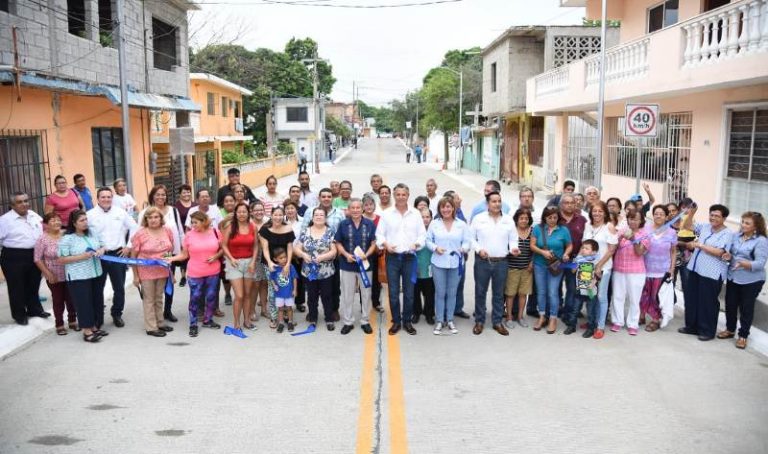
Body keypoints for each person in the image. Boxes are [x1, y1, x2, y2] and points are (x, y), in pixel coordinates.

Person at [376, 183, 426, 335]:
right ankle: (396, 321)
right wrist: (385, 245)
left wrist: (416, 244)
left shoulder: (416, 214)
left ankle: (407, 322)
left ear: (408, 196)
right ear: (394, 195)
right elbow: (379, 234)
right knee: (393, 292)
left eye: (404, 194)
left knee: (410, 293)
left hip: (410, 258)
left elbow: (422, 235)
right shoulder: (387, 214)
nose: (401, 197)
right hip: (392, 258)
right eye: (398, 194)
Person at [679, 204, 733, 341]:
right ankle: (691, 326)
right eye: (711, 215)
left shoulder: (728, 234)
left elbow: (720, 252)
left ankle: (707, 331)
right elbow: (686, 226)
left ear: (724, 218)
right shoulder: (705, 227)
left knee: (707, 302)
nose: (713, 218)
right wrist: (691, 213)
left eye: (717, 216)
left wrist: (699, 245)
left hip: (712, 273)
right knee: (692, 299)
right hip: (696, 269)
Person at [87, 186, 138, 328]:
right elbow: (85, 234)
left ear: (112, 198)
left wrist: (128, 246)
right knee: (97, 288)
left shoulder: (120, 212)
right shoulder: (90, 215)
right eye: (103, 197)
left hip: (118, 255)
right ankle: (98, 317)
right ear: (98, 199)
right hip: (99, 257)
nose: (106, 199)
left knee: (119, 288)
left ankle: (117, 313)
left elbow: (135, 227)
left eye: (109, 197)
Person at [470, 191, 519, 336]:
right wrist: (479, 250)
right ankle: (479, 321)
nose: (497, 204)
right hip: (483, 261)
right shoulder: (478, 219)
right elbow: (471, 238)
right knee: (480, 292)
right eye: (494, 201)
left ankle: (497, 322)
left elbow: (513, 239)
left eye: (499, 201)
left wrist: (514, 248)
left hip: (502, 262)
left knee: (498, 294)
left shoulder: (508, 220)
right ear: (487, 204)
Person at [167, 211, 223, 337]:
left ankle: (208, 320)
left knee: (211, 297)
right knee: (195, 298)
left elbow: (222, 248)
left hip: (213, 271)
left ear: (204, 221)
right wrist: (170, 258)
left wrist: (216, 256)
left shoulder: (215, 232)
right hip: (195, 273)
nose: (193, 225)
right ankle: (193, 324)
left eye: (195, 222)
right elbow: (184, 255)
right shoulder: (189, 236)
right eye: (191, 222)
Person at [136, 185, 185, 322]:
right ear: (152, 196)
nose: (160, 197)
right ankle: (153, 322)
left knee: (168, 285)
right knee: (152, 294)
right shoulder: (145, 212)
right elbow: (138, 234)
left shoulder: (173, 211)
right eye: (157, 194)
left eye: (163, 194)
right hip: (149, 260)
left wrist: (181, 251)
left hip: (169, 255)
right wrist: (130, 249)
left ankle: (167, 312)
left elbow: (180, 233)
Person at [719, 212, 767, 349]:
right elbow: (731, 253)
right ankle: (730, 330)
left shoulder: (761, 241)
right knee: (731, 305)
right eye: (742, 222)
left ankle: (743, 336)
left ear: (756, 226)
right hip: (733, 276)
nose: (743, 225)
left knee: (746, 308)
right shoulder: (736, 236)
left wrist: (743, 263)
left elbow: (760, 263)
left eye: (747, 223)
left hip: (751, 280)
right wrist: (728, 255)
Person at [0, 192, 48, 325]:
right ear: (12, 205)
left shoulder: (33, 215)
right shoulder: (5, 220)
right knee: (17, 287)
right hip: (13, 256)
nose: (24, 204)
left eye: (26, 201)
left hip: (34, 254)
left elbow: (43, 230)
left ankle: (34, 310)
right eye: (20, 202)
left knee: (33, 284)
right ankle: (19, 315)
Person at [58, 210, 105, 342]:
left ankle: (95, 326)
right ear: (74, 223)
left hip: (95, 273)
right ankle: (87, 331)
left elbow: (103, 245)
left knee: (96, 301)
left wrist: (101, 250)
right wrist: (82, 256)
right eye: (81, 221)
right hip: (78, 276)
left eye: (86, 219)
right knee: (83, 303)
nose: (85, 223)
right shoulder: (67, 239)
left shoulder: (92, 233)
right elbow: (61, 259)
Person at [426, 197, 470, 335]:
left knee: (452, 293)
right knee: (440, 293)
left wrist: (463, 248)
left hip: (456, 263)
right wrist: (435, 248)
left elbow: (467, 242)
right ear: (439, 209)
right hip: (438, 262)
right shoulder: (434, 224)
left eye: (448, 207)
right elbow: (427, 240)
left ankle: (450, 319)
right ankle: (439, 320)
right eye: (443, 207)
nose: (446, 209)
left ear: (453, 208)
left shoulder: (461, 224)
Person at [130, 207, 176, 338]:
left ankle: (160, 322)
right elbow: (133, 256)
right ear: (146, 219)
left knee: (159, 297)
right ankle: (151, 327)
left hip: (162, 270)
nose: (153, 220)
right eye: (150, 218)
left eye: (156, 217)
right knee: (149, 299)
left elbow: (169, 249)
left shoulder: (167, 230)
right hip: (146, 271)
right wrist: (135, 276)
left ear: (161, 218)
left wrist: (169, 269)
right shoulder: (141, 233)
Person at [335, 198, 377, 335]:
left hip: (365, 265)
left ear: (362, 209)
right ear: (348, 209)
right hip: (347, 265)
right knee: (347, 294)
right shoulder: (343, 224)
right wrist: (346, 254)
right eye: (352, 208)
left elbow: (373, 243)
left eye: (358, 207)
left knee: (366, 294)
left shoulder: (370, 224)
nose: (355, 210)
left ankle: (365, 321)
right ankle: (348, 322)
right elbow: (338, 243)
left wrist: (367, 254)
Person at [530, 206, 572, 334]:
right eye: (549, 217)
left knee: (553, 292)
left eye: (555, 217)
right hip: (539, 265)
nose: (552, 220)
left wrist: (566, 254)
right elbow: (532, 245)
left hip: (555, 265)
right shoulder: (538, 228)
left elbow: (569, 245)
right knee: (541, 292)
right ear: (544, 217)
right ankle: (542, 315)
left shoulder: (563, 230)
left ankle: (553, 318)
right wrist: (542, 252)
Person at [34, 213, 77, 335]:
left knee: (71, 298)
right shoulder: (42, 239)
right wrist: (47, 273)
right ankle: (59, 324)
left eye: (58, 220)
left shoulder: (67, 235)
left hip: (71, 272)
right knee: (58, 300)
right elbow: (37, 258)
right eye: (52, 220)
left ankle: (73, 320)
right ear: (46, 224)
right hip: (54, 274)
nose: (56, 222)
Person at [295, 208, 337, 330]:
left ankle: (329, 318)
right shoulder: (306, 231)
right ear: (312, 218)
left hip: (326, 271)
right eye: (316, 215)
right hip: (309, 272)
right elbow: (296, 248)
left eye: (321, 215)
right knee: (312, 296)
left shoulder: (330, 231)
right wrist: (303, 255)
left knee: (327, 295)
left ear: (325, 218)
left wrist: (322, 257)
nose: (319, 217)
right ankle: (313, 318)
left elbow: (334, 251)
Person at [582, 201, 618, 339]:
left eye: (600, 211)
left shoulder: (609, 227)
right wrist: (579, 261)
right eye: (594, 211)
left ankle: (600, 326)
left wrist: (599, 266)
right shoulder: (587, 225)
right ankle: (592, 321)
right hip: (587, 266)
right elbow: (584, 245)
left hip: (604, 268)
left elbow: (611, 250)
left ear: (605, 213)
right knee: (590, 295)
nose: (597, 213)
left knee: (601, 297)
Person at [610, 209, 650, 335]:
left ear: (641, 220)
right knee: (617, 296)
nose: (633, 222)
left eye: (636, 219)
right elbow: (612, 248)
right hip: (619, 269)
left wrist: (634, 239)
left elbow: (639, 252)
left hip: (636, 271)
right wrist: (619, 238)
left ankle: (633, 323)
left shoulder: (645, 234)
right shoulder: (621, 231)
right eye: (631, 219)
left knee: (634, 298)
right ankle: (617, 321)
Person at [639, 205, 677, 332]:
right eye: (656, 213)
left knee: (656, 296)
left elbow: (673, 251)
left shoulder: (671, 232)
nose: (658, 216)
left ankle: (655, 320)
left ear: (666, 217)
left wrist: (671, 269)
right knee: (643, 294)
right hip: (645, 267)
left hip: (662, 270)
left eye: (661, 214)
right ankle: (642, 315)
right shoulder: (646, 229)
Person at [221, 203, 258, 333]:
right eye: (239, 212)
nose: (242, 214)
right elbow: (224, 245)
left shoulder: (253, 227)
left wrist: (253, 262)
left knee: (248, 294)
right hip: (234, 263)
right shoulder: (230, 227)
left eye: (244, 212)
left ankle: (247, 320)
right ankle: (236, 323)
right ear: (235, 213)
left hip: (249, 263)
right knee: (239, 295)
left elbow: (255, 246)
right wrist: (231, 258)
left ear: (249, 213)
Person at [259, 206, 296, 328]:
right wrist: (269, 262)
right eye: (276, 215)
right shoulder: (265, 230)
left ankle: (286, 315)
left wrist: (288, 264)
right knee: (273, 290)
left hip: (285, 264)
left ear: (284, 215)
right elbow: (264, 248)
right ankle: (274, 317)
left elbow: (290, 248)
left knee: (286, 287)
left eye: (281, 215)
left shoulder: (288, 229)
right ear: (271, 215)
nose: (278, 217)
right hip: (271, 264)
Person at [560, 194, 587, 334]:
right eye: (566, 203)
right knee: (555, 288)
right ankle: (554, 312)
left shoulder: (582, 220)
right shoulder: (556, 218)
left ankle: (569, 315)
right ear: (562, 205)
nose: (570, 205)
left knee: (572, 288)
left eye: (572, 203)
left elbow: (586, 240)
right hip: (558, 260)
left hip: (575, 260)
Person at [504, 208, 534, 329]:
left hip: (527, 269)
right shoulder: (512, 231)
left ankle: (520, 316)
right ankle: (509, 317)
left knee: (523, 294)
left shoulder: (532, 231)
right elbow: (505, 247)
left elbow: (534, 248)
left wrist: (532, 262)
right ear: (516, 219)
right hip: (512, 268)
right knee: (510, 294)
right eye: (521, 218)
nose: (524, 220)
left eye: (526, 218)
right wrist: (511, 252)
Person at [572, 239, 601, 338]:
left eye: (586, 248)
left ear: (593, 252)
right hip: (579, 288)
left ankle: (590, 328)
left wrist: (594, 282)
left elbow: (599, 274)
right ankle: (572, 326)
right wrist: (575, 263)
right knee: (575, 309)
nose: (583, 250)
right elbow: (573, 271)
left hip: (590, 290)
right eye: (583, 248)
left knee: (590, 310)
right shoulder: (579, 259)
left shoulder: (596, 260)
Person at [362, 193, 385, 313]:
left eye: (371, 204)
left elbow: (383, 234)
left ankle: (376, 302)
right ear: (363, 206)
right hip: (363, 254)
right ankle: (363, 304)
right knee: (364, 279)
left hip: (377, 253)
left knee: (376, 280)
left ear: (374, 205)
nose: (369, 206)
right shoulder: (359, 218)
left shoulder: (379, 219)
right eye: (366, 204)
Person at [413, 208, 435, 325]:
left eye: (427, 217)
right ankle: (416, 312)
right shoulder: (415, 232)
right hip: (416, 267)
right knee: (415, 292)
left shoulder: (434, 231)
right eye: (422, 217)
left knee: (430, 293)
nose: (425, 219)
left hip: (430, 267)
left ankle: (429, 313)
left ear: (431, 218)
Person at [269, 247, 298, 333]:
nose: (284, 259)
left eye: (285, 257)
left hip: (289, 293)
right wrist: (274, 285)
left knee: (289, 308)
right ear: (275, 259)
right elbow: (271, 278)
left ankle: (290, 322)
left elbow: (294, 278)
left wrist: (295, 290)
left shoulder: (290, 266)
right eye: (281, 258)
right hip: (279, 293)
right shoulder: (274, 268)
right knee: (280, 309)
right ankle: (281, 323)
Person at [249, 201, 269, 321]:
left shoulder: (268, 222)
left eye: (261, 209)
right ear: (251, 212)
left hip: (266, 257)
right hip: (253, 257)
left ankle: (264, 309)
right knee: (255, 285)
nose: (259, 212)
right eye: (256, 210)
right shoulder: (249, 224)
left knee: (264, 283)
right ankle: (251, 310)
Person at [173, 184, 196, 287]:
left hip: (192, 234)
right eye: (184, 192)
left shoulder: (195, 205)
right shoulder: (175, 206)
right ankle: (177, 275)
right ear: (180, 194)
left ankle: (188, 275)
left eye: (188, 192)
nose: (187, 194)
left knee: (189, 255)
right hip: (179, 233)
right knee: (179, 254)